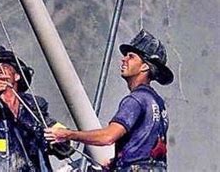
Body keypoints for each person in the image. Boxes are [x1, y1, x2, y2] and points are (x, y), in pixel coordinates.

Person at [45, 29, 174, 171]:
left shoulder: (136, 99)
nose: (123, 59)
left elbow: (107, 137)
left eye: (131, 56)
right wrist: (117, 162)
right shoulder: (158, 103)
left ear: (145, 67)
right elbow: (144, 146)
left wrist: (68, 134)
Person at [0, 45, 73, 172]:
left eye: (5, 67)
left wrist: (60, 141)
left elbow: (66, 146)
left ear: (17, 76)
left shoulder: (34, 109)